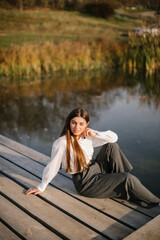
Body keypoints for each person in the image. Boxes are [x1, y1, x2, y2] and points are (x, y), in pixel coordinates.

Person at [25, 108, 160, 208]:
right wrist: (42, 186)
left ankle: (122, 182)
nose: (77, 127)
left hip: (95, 169)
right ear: (68, 123)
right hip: (86, 182)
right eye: (73, 123)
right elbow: (53, 165)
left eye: (81, 124)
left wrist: (94, 133)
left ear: (86, 124)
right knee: (128, 179)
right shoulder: (62, 143)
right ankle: (156, 202)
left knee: (111, 146)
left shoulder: (87, 136)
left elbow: (113, 138)